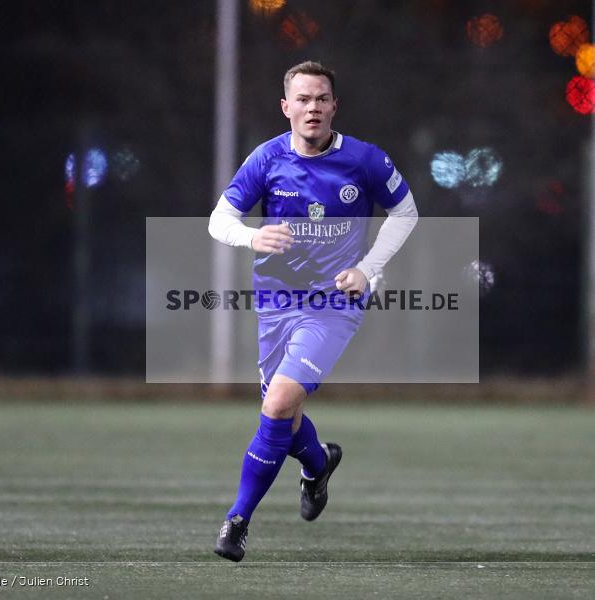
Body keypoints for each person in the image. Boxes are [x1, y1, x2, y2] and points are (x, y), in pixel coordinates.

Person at [207, 61, 418, 562]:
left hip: (333, 304)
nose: (313, 107)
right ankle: (318, 465)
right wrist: (253, 236)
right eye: (303, 99)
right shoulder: (266, 158)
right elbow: (220, 220)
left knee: (277, 403)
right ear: (286, 108)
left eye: (321, 98)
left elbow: (406, 213)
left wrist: (367, 268)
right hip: (276, 304)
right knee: (288, 411)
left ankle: (237, 520)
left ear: (334, 106)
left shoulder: (364, 160)